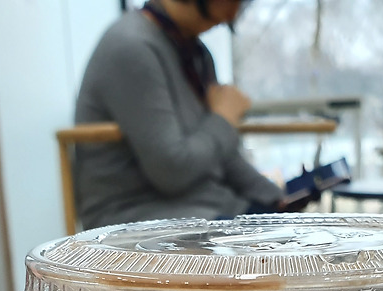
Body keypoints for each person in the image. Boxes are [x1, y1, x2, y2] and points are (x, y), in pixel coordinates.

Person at [74, 0, 294, 229]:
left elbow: (223, 156)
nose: (232, 15)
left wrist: (279, 200)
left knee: (296, 224)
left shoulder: (194, 52)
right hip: (137, 219)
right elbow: (171, 172)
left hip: (206, 209)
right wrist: (224, 119)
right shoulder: (131, 47)